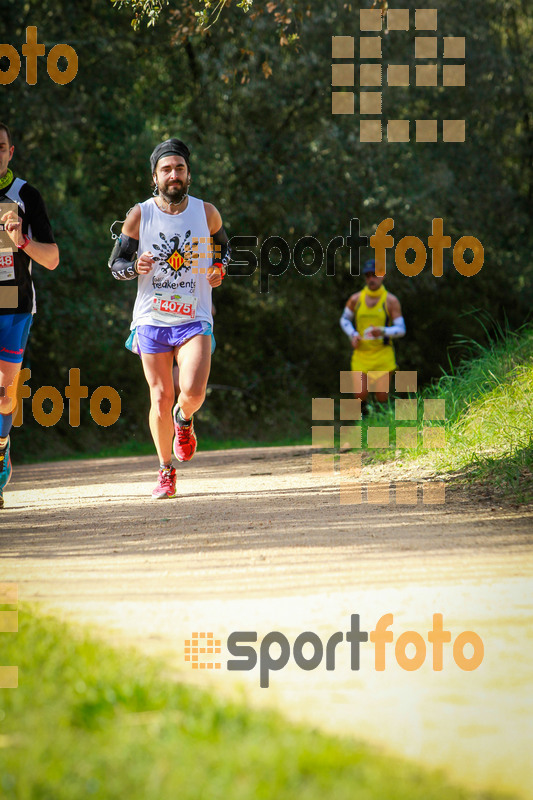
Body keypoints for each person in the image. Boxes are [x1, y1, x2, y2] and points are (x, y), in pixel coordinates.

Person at [109, 138, 230, 499]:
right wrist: (134, 267)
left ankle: (184, 419)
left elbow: (225, 250)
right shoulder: (139, 215)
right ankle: (165, 470)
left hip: (193, 315)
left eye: (179, 168)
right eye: (166, 169)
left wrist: (219, 269)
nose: (173, 174)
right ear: (154, 177)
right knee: (160, 396)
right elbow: (115, 265)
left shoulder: (206, 213)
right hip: (152, 319)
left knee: (191, 392)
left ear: (188, 174)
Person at [0, 123, 59, 508]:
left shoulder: (24, 195)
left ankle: (1, 448)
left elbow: (52, 260)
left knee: (4, 396)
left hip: (11, 301)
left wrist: (21, 241)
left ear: (10, 151)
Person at [339, 259, 405, 411]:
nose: (371, 279)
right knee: (360, 394)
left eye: (374, 275)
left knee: (382, 396)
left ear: (382, 276)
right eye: (368, 276)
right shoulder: (356, 299)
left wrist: (383, 331)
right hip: (361, 353)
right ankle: (363, 423)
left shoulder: (391, 301)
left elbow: (401, 329)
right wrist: (353, 334)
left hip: (383, 353)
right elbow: (344, 319)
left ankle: (383, 423)